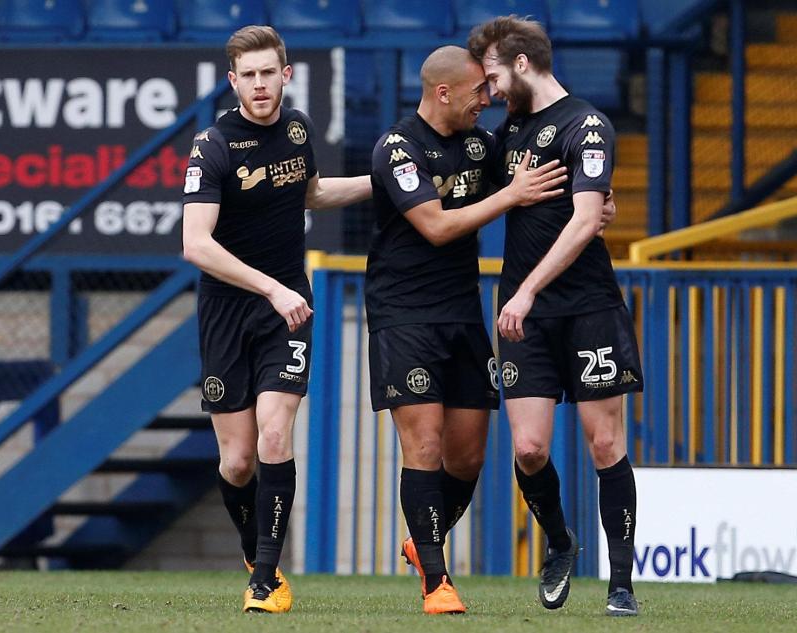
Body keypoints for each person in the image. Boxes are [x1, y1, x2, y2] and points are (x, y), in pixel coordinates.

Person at [365, 45, 570, 614]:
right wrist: (509, 196)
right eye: (479, 91)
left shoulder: (483, 142)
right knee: (424, 445)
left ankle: (421, 539)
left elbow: (535, 164)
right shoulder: (398, 147)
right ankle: (437, 580)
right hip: (403, 314)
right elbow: (433, 225)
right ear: (443, 91)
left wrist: (595, 202)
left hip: (461, 312)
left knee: (467, 457)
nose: (489, 99)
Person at [181, 25, 371, 614]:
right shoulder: (212, 145)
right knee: (237, 461)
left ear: (286, 76)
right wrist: (267, 288)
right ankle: (256, 554)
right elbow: (196, 243)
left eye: (270, 73)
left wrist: (381, 182)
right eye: (249, 75)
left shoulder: (298, 130)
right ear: (233, 80)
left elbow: (309, 194)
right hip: (229, 309)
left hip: (288, 308)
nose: (260, 85)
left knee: (274, 432)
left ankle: (265, 580)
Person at [468, 17, 644, 617]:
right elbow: (467, 188)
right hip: (526, 318)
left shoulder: (585, 125)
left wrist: (526, 290)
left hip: (587, 306)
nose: (487, 91)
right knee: (529, 449)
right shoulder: (508, 133)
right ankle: (561, 542)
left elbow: (584, 220)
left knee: (604, 441)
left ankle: (620, 586)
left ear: (521, 63)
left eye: (491, 75)